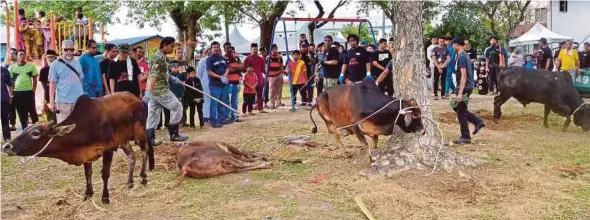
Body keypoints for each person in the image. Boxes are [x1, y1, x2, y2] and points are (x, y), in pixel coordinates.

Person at [144, 36, 189, 142]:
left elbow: (161, 72)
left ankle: (150, 139)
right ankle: (174, 134)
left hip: (154, 91)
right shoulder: (157, 57)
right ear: (164, 45)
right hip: (160, 90)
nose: (173, 49)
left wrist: (171, 77)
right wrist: (149, 92)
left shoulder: (162, 56)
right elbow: (153, 75)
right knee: (177, 107)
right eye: (171, 46)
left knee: (153, 114)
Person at [451, 37, 485, 145]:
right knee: (456, 106)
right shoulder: (464, 55)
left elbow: (464, 75)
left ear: (457, 44)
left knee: (461, 111)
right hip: (467, 86)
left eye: (453, 45)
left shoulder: (461, 57)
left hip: (464, 87)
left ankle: (465, 137)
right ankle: (478, 121)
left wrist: (460, 92)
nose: (452, 47)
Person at [48, 40, 84, 122]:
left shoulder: (77, 62)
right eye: (66, 49)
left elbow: (80, 79)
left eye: (71, 49)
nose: (69, 52)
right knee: (64, 129)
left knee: (78, 127)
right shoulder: (55, 64)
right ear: (62, 49)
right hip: (63, 102)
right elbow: (52, 83)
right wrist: (51, 101)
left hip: (78, 101)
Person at [8, 49, 39, 130]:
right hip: (17, 92)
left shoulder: (31, 66)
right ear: (16, 56)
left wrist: (33, 90)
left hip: (29, 92)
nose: (22, 56)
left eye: (24, 54)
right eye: (20, 54)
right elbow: (10, 82)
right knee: (21, 112)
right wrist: (11, 93)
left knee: (32, 111)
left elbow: (35, 79)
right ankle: (24, 129)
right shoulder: (11, 68)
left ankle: (37, 128)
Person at [206, 41, 230, 128]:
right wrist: (220, 77)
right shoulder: (209, 59)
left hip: (223, 85)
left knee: (223, 103)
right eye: (214, 47)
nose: (216, 49)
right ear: (211, 49)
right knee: (214, 104)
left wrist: (225, 76)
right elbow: (209, 72)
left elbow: (227, 68)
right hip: (214, 85)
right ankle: (213, 121)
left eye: (217, 47)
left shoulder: (222, 58)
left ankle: (221, 119)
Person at [164, 46, 189, 127]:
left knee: (184, 105)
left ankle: (183, 121)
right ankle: (175, 122)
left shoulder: (185, 62)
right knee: (175, 106)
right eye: (178, 52)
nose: (180, 54)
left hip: (184, 87)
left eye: (181, 52)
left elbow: (188, 73)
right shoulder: (172, 62)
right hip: (174, 88)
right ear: (175, 53)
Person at [243, 43, 267, 113]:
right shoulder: (247, 59)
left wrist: (266, 76)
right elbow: (244, 68)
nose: (255, 51)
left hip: (259, 79)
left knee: (260, 94)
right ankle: (249, 110)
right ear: (251, 50)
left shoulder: (261, 59)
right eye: (254, 49)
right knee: (250, 96)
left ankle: (260, 108)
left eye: (256, 49)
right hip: (250, 81)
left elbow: (263, 70)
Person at [223, 42, 244, 123]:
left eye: (230, 47)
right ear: (224, 49)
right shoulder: (223, 58)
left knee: (234, 100)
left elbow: (242, 66)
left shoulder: (236, 57)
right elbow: (226, 69)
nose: (229, 49)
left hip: (236, 81)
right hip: (228, 82)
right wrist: (236, 67)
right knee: (228, 99)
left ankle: (234, 115)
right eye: (227, 48)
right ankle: (228, 116)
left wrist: (232, 67)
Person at [39, 50, 58, 122]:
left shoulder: (59, 68)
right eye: (48, 57)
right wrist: (44, 101)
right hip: (48, 98)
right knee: (50, 121)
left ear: (55, 58)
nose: (49, 59)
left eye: (51, 57)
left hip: (60, 98)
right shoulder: (43, 70)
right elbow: (44, 88)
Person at [267, 44, 284, 109]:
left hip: (279, 74)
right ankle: (272, 103)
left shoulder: (280, 57)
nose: (275, 50)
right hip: (271, 75)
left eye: (276, 48)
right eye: (274, 49)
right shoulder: (268, 57)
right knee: (272, 90)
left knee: (279, 89)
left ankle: (278, 102)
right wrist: (267, 75)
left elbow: (281, 66)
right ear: (271, 50)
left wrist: (281, 73)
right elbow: (266, 67)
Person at [197, 48, 211, 123]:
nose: (209, 52)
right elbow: (199, 74)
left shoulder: (214, 60)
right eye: (208, 51)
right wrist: (198, 85)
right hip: (205, 84)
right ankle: (206, 117)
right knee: (206, 100)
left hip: (214, 84)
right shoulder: (202, 61)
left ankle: (212, 116)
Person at [299, 42, 315, 107]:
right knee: (302, 88)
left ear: (307, 47)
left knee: (310, 88)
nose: (303, 48)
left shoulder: (311, 54)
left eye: (305, 47)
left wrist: (310, 58)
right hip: (301, 75)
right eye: (302, 47)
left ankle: (309, 101)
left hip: (309, 74)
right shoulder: (299, 54)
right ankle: (303, 101)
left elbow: (314, 62)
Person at [1, 65, 13, 141]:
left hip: (4, 99)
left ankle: (7, 137)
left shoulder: (4, 70)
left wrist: (11, 96)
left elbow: (10, 84)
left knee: (5, 119)